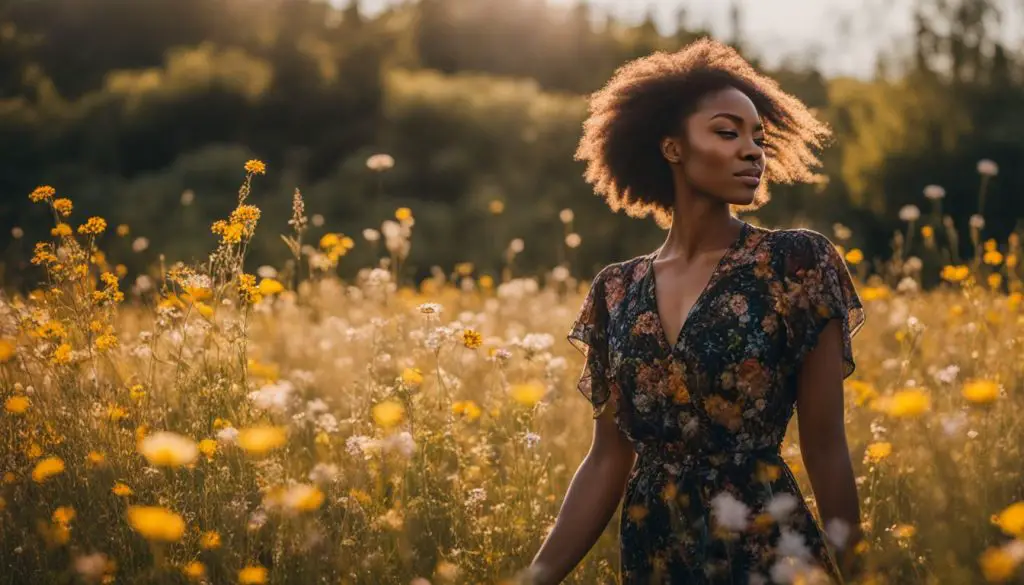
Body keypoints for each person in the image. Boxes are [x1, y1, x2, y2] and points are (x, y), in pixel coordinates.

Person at [526, 38, 866, 585]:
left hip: (766, 551)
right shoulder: (616, 290)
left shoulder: (797, 263)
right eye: (727, 132)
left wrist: (861, 574)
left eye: (759, 138)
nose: (753, 150)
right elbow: (608, 458)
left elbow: (826, 445)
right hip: (654, 555)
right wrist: (535, 577)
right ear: (672, 148)